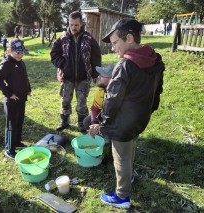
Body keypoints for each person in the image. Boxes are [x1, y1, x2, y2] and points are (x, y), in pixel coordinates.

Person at [88, 18, 165, 209]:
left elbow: (112, 99)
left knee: (120, 156)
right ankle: (128, 176)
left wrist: (102, 122)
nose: (113, 48)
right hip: (140, 118)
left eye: (115, 43)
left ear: (129, 38)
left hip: (122, 123)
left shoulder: (125, 66)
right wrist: (151, 108)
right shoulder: (154, 58)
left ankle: (122, 196)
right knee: (130, 147)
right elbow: (158, 89)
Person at [50, 11, 101, 132]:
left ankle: (82, 123)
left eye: (76, 25)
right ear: (68, 23)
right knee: (65, 101)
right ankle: (64, 121)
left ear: (81, 23)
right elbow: (54, 54)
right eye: (71, 24)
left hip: (83, 77)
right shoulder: (62, 38)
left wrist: (95, 74)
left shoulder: (89, 38)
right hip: (67, 77)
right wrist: (63, 64)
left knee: (82, 103)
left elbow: (96, 56)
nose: (73, 27)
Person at [0, 38, 31, 159]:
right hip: (11, 101)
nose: (20, 55)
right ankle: (9, 149)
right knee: (11, 125)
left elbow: (25, 77)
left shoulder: (21, 62)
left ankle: (17, 142)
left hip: (21, 98)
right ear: (10, 50)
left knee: (19, 122)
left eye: (22, 52)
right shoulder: (6, 63)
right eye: (18, 52)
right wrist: (9, 93)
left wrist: (28, 89)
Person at [83, 64, 114, 131]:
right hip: (105, 115)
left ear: (111, 79)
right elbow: (95, 108)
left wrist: (102, 125)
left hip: (116, 119)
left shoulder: (117, 92)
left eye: (102, 75)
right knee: (87, 122)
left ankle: (111, 137)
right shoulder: (100, 89)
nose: (98, 77)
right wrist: (94, 123)